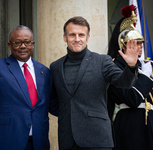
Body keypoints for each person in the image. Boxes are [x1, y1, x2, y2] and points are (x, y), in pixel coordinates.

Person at [49, 16, 139, 150]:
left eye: (81, 35)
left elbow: (123, 82)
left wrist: (131, 67)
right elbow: (53, 100)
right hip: (67, 139)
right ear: (65, 37)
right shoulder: (56, 67)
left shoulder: (102, 61)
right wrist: (68, 114)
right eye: (72, 35)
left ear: (88, 37)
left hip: (97, 139)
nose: (77, 39)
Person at [0, 25, 58, 150]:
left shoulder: (44, 71)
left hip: (38, 142)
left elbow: (53, 105)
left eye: (26, 42)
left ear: (32, 44)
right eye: (17, 43)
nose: (22, 46)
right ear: (10, 45)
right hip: (8, 140)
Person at [107, 5, 153, 150]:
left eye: (140, 43)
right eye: (135, 43)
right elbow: (132, 99)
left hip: (149, 122)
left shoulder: (144, 65)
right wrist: (146, 76)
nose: (140, 47)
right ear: (123, 44)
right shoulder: (114, 66)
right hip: (130, 125)